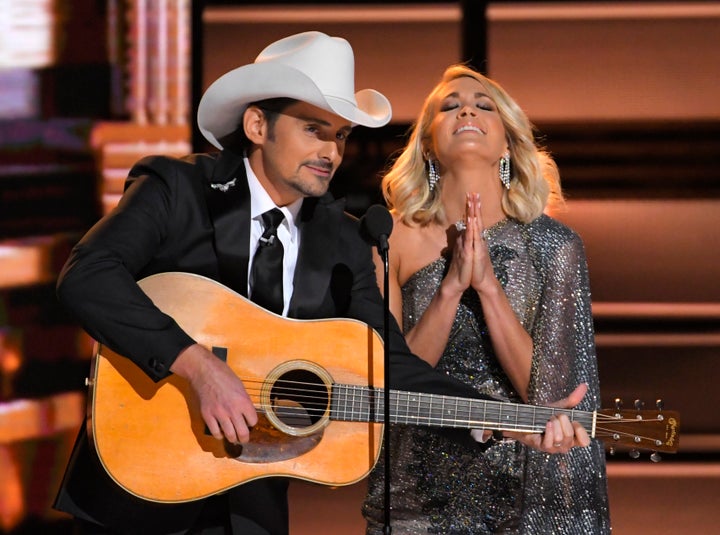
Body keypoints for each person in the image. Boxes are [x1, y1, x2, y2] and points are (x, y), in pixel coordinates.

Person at [54, 33, 593, 535]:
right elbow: (88, 276)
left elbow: (386, 361)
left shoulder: (343, 240)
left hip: (251, 502)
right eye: (314, 130)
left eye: (340, 136)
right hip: (133, 485)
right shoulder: (179, 190)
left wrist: (504, 420)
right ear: (258, 126)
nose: (331, 152)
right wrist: (196, 364)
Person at [362, 64, 611, 534]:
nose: (467, 110)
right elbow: (389, 381)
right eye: (449, 106)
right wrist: (451, 287)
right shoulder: (387, 237)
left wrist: (489, 287)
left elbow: (552, 399)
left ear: (508, 144)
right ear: (428, 145)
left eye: (484, 105)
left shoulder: (555, 246)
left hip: (519, 494)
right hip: (413, 493)